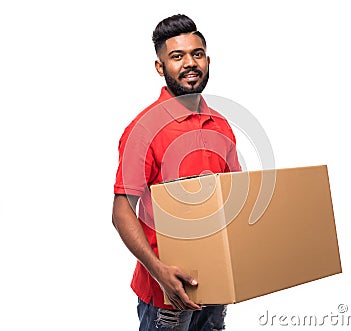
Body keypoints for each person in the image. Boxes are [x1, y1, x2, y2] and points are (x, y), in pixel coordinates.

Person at [112, 14, 241, 330]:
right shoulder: (144, 130)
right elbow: (121, 213)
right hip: (165, 295)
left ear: (208, 60)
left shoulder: (222, 126)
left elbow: (236, 196)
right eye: (177, 56)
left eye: (196, 54)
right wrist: (159, 272)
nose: (190, 63)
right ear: (160, 67)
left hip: (216, 289)